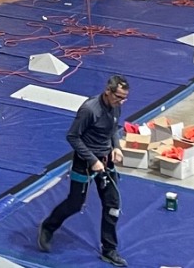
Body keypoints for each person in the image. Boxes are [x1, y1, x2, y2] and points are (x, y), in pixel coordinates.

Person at [38, 75, 131, 266]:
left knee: (113, 205)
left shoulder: (116, 105)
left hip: (106, 160)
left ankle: (109, 249)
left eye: (124, 98)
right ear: (108, 91)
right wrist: (92, 160)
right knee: (75, 204)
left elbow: (113, 128)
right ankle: (48, 226)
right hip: (85, 162)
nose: (122, 102)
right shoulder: (89, 110)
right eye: (119, 97)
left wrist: (116, 147)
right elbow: (72, 136)